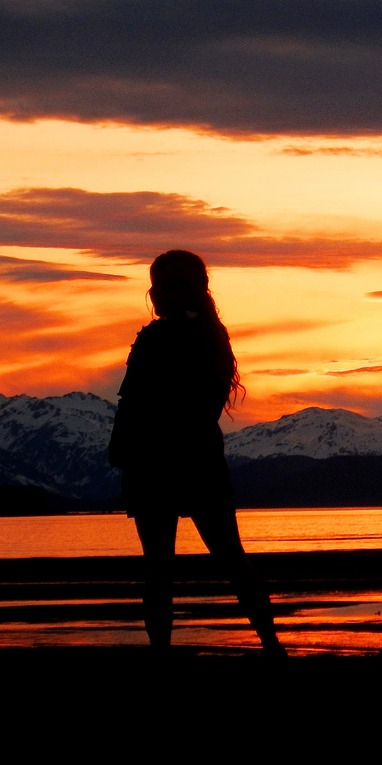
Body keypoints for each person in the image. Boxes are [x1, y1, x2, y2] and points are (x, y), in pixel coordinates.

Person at [107, 249, 283, 656]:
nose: (158, 294)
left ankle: (166, 657)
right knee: (228, 560)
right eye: (157, 285)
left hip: (156, 463)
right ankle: (272, 647)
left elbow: (131, 402)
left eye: (165, 286)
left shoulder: (157, 338)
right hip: (199, 459)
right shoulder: (213, 337)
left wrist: (122, 449)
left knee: (161, 571)